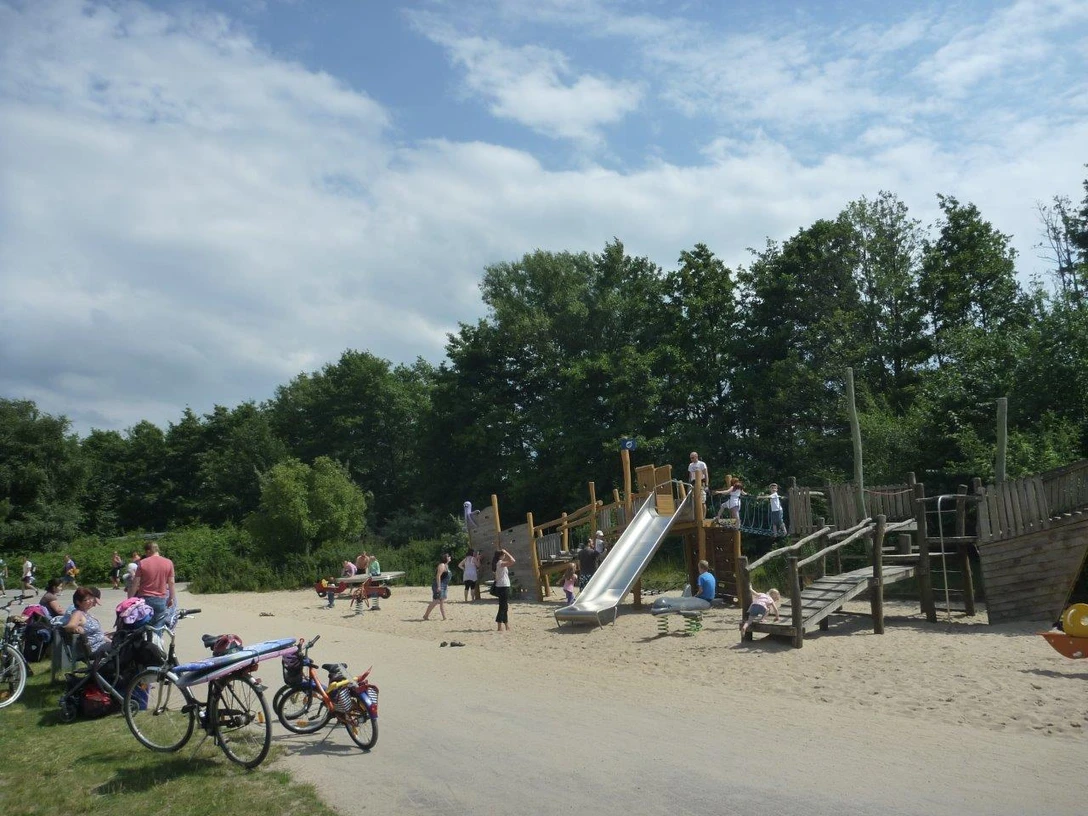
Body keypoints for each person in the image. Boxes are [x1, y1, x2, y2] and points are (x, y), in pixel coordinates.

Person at [127, 541, 176, 629]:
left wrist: (130, 599)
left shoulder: (142, 563)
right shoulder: (168, 562)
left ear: (149, 551)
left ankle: (145, 641)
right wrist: (171, 598)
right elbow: (171, 582)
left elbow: (135, 583)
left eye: (146, 552)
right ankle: (157, 641)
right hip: (160, 600)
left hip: (144, 599)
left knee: (143, 626)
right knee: (158, 626)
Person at [64, 586, 111, 656]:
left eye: (91, 598)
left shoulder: (86, 613)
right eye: (86, 600)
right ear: (78, 602)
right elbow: (69, 626)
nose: (91, 601)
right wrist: (75, 628)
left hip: (100, 644)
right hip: (95, 648)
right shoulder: (78, 613)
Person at [492, 547, 516, 632]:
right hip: (503, 586)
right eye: (503, 554)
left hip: (501, 586)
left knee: (505, 606)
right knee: (502, 607)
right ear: (500, 556)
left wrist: (505, 552)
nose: (505, 555)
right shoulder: (500, 563)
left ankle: (506, 625)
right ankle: (499, 626)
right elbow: (513, 561)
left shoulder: (498, 563)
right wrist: (507, 552)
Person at [423, 554, 452, 621]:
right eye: (448, 556)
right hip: (438, 585)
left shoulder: (447, 566)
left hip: (444, 585)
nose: (450, 557)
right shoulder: (442, 565)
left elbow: (445, 577)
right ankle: (426, 615)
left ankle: (444, 617)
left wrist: (446, 586)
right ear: (445, 558)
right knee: (436, 601)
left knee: (442, 601)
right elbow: (438, 576)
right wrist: (439, 586)